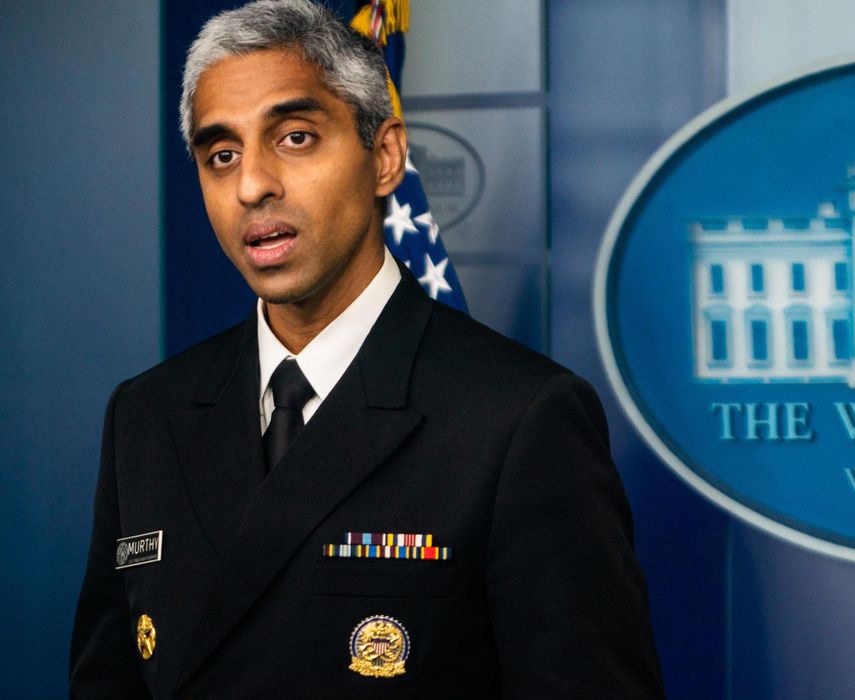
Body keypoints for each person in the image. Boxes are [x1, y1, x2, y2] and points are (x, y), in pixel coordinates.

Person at [68, 0, 664, 696]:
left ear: (384, 157)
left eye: (294, 137)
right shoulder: (147, 415)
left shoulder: (517, 418)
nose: (252, 185)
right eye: (221, 155)